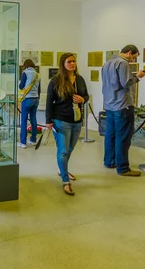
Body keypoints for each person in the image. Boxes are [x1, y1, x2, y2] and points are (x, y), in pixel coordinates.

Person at [45, 53, 89, 196]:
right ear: (63, 64)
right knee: (63, 150)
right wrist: (48, 121)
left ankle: (61, 168)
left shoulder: (80, 79)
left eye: (74, 61)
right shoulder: (55, 81)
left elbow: (86, 96)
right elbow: (49, 102)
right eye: (69, 61)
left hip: (76, 121)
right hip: (61, 120)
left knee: (70, 148)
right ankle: (65, 181)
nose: (72, 64)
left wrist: (83, 99)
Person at [101, 44, 145, 177]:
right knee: (123, 137)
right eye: (134, 57)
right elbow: (125, 83)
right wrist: (138, 77)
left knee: (110, 135)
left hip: (109, 105)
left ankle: (109, 161)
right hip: (122, 105)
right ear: (129, 53)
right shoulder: (123, 64)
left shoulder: (107, 63)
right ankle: (123, 168)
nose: (133, 60)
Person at [18, 59, 40, 148]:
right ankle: (33, 140)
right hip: (36, 99)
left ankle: (23, 142)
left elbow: (21, 86)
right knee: (33, 119)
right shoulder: (38, 75)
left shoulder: (25, 73)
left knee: (23, 120)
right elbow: (39, 89)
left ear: (26, 65)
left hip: (27, 98)